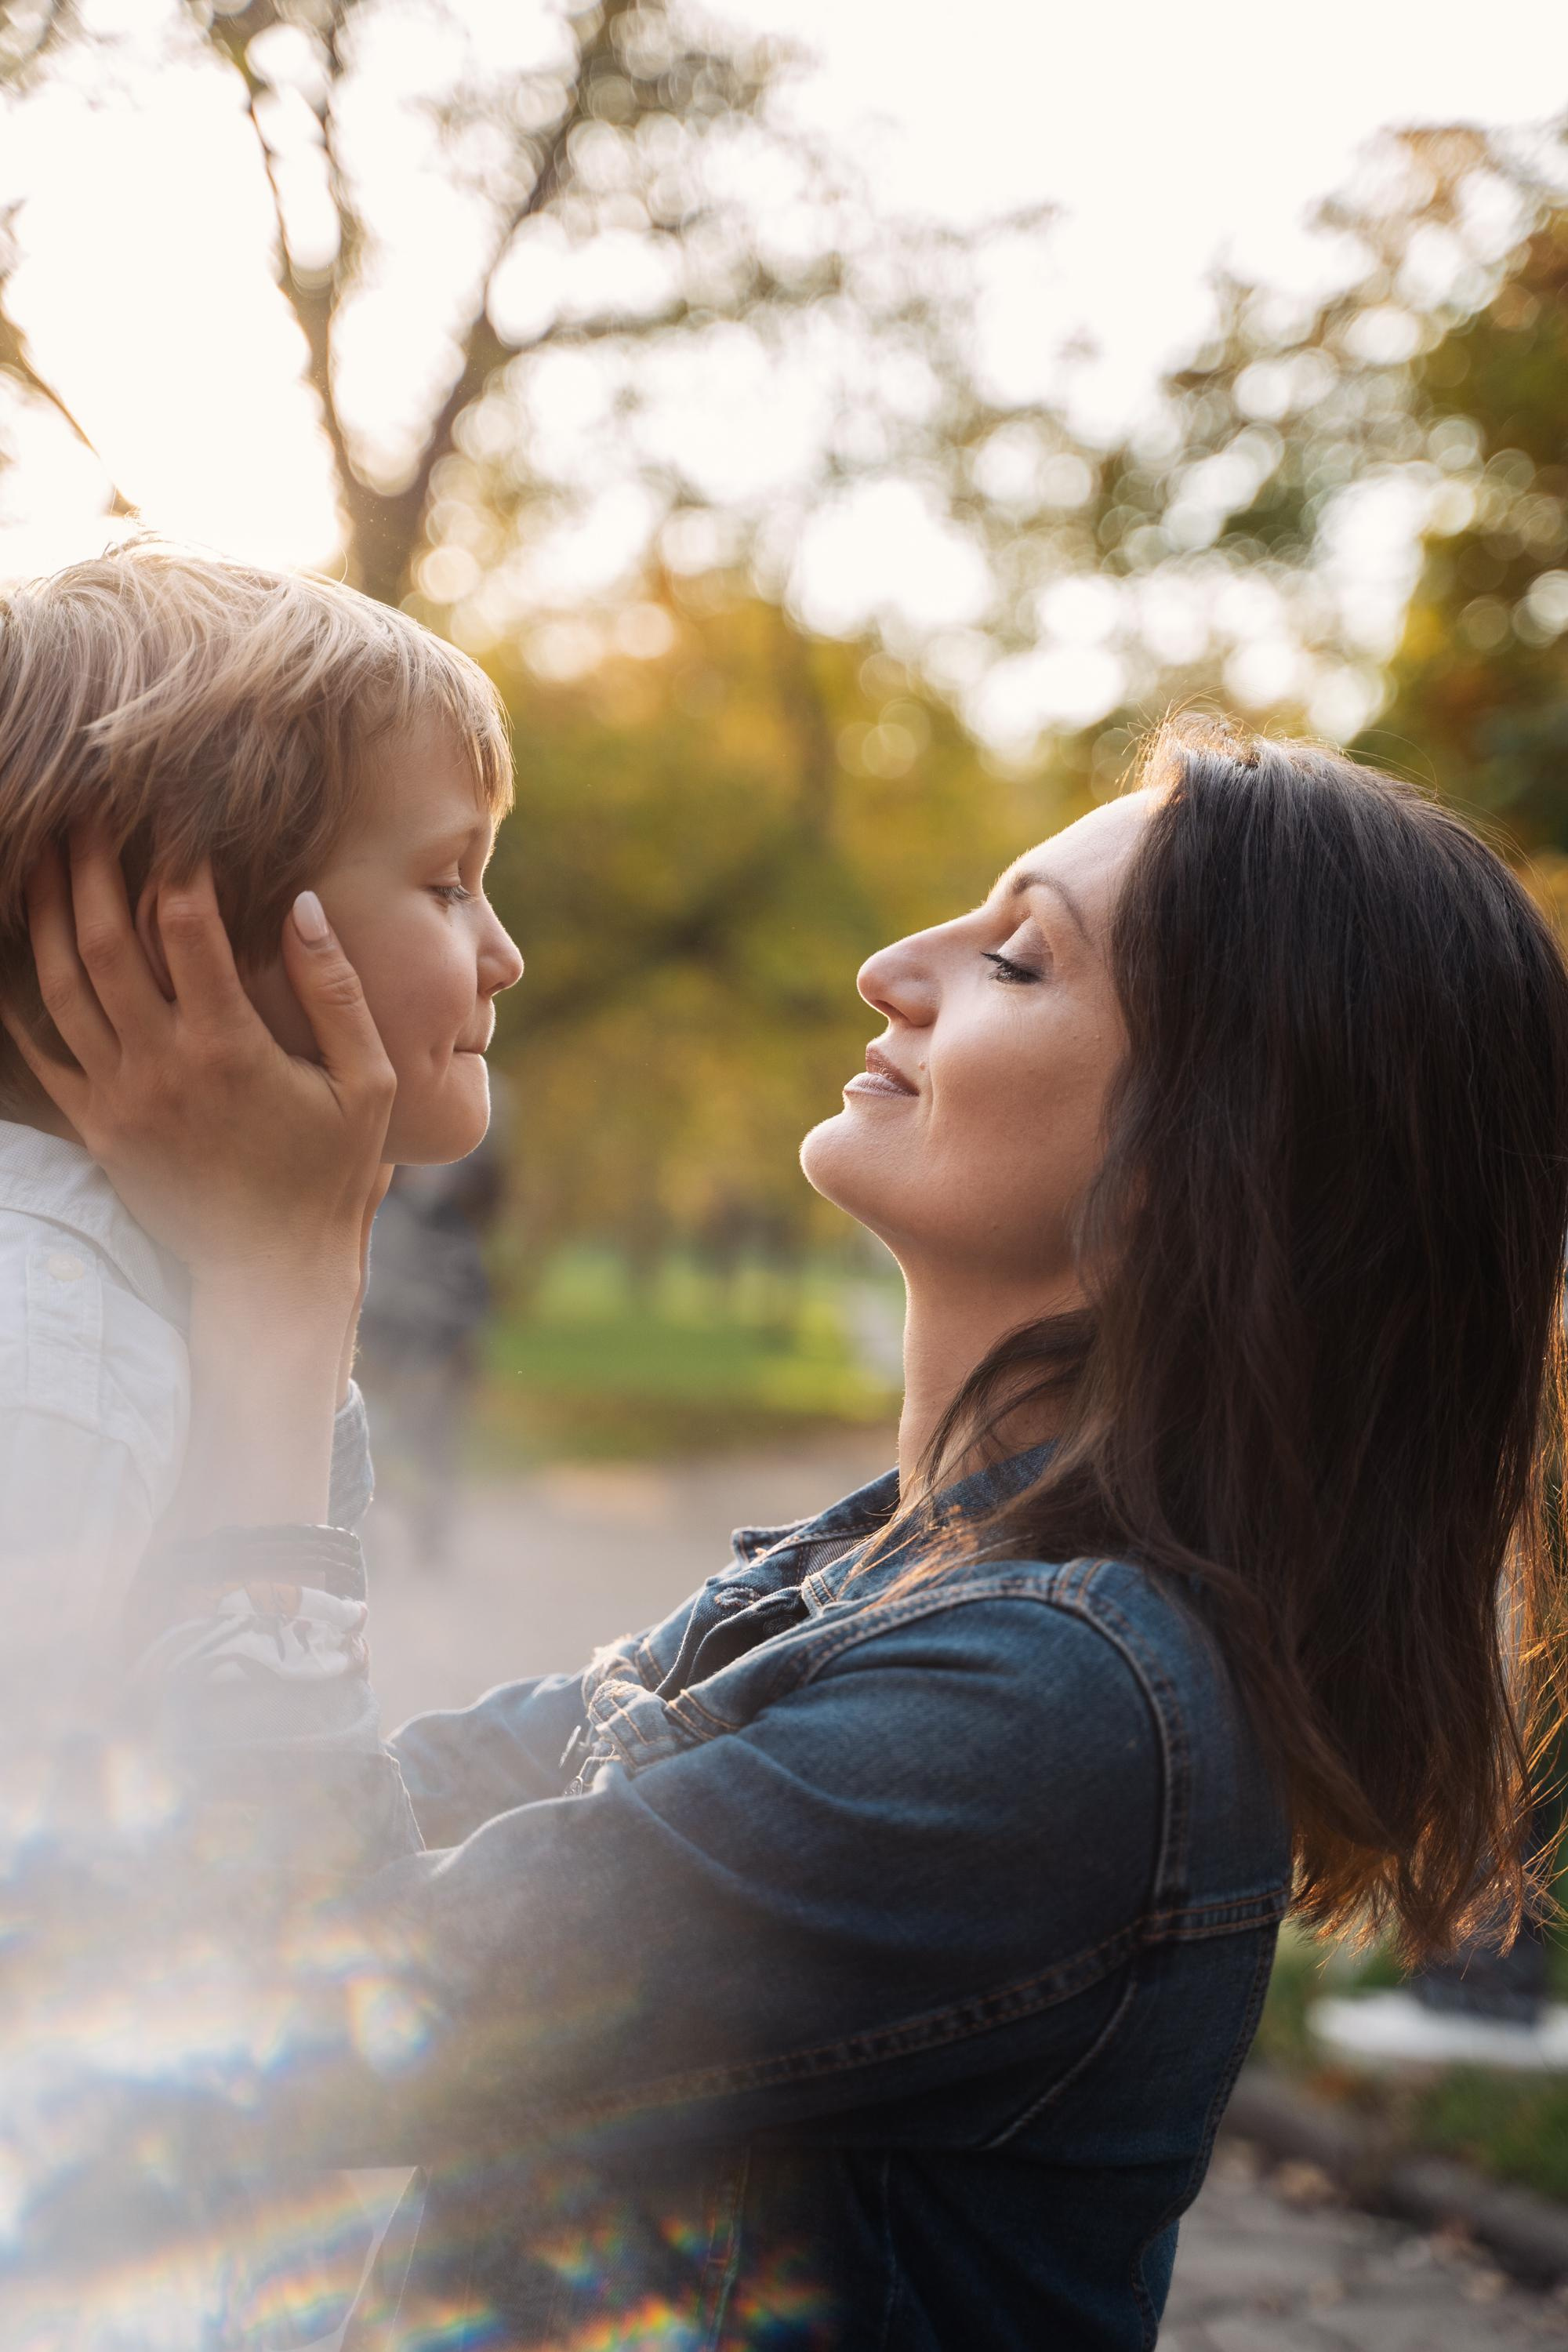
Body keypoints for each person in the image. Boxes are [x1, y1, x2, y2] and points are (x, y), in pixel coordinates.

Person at [12, 721, 1568, 2352]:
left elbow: (299, 2015)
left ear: (1210, 1163)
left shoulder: (1056, 1716)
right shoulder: (852, 1580)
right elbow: (276, 1860)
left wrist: (280, 1288)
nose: (890, 968)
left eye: (1019, 961)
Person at [0, 539, 520, 1671]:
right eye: (447, 884)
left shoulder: (133, 1286)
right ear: (177, 940)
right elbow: (209, 1836)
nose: (505, 957)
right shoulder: (53, 1368)